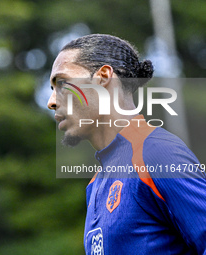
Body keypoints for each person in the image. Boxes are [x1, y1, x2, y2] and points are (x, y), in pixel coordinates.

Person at [47, 34, 206, 254]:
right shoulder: (95, 184)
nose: (51, 102)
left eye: (62, 83)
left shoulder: (157, 154)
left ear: (102, 77)